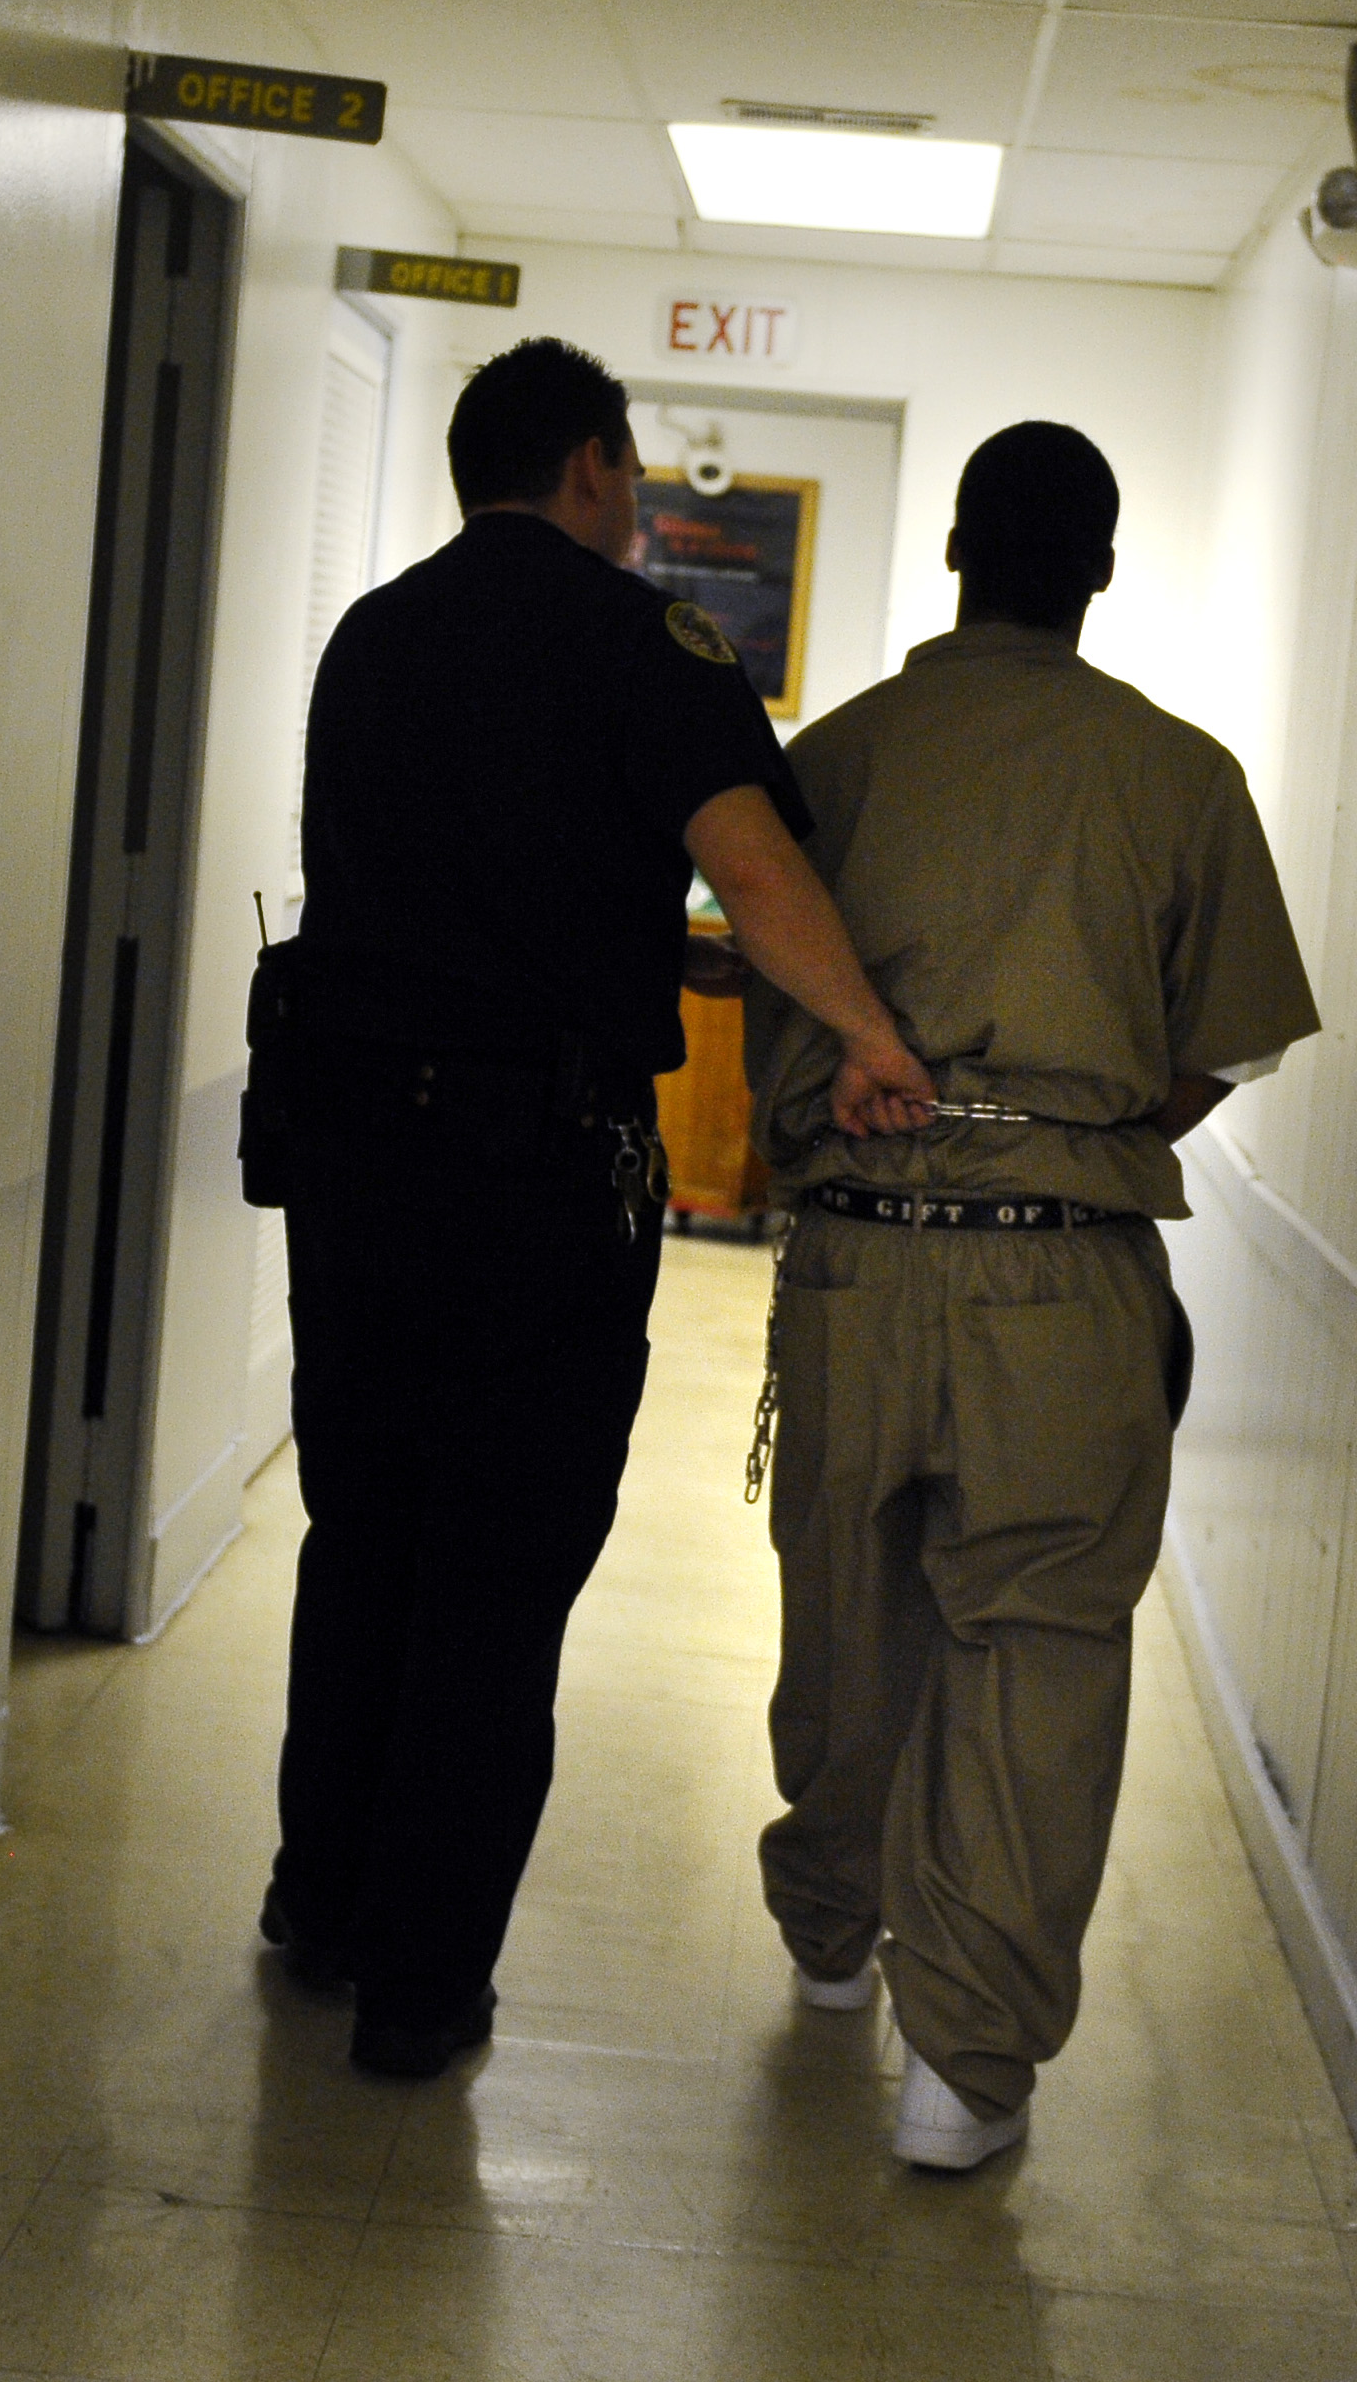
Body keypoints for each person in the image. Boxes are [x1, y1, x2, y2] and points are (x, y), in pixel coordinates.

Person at [259, 336, 935, 2079]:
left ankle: (319, 1909)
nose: (632, 504)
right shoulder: (644, 641)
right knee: (496, 1570)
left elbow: (458, 885)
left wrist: (639, 953)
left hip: (349, 1163)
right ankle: (420, 1991)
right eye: (627, 472)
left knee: (364, 1535)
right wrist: (868, 1036)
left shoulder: (373, 632)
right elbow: (755, 865)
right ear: (591, 465)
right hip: (530, 1182)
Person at [740, 420, 1319, 2168]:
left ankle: (829, 1933)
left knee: (850, 1615)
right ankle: (966, 2072)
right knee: (1037, 1649)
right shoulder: (1179, 777)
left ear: (953, 554)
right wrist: (1073, 1124)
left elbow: (769, 1007)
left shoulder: (829, 761)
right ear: (1101, 572)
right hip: (1062, 1274)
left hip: (856, 1262)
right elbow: (1222, 1041)